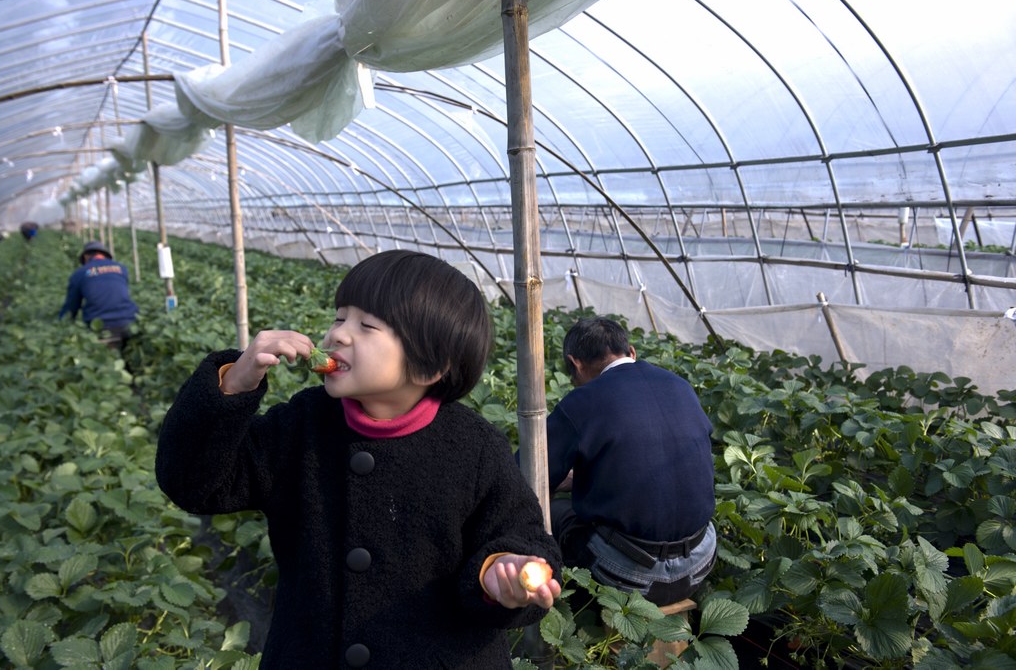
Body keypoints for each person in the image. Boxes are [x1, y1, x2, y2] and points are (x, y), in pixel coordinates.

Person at [155, 249, 562, 670]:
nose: (338, 335)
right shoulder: (302, 424)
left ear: (428, 367)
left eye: (365, 326)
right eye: (339, 317)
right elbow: (193, 482)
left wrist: (503, 572)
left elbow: (520, 535)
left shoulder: (475, 447)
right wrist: (234, 383)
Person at [546, 316, 716, 606]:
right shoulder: (680, 386)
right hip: (700, 565)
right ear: (632, 353)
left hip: (628, 577)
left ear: (575, 364)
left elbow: (527, 475)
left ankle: (569, 611)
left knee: (553, 511)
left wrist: (563, 481)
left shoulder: (581, 402)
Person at [58, 241, 139, 349]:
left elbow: (72, 305)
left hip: (100, 325)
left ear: (86, 256)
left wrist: (62, 323)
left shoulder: (80, 273)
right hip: (129, 321)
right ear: (105, 255)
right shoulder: (121, 269)